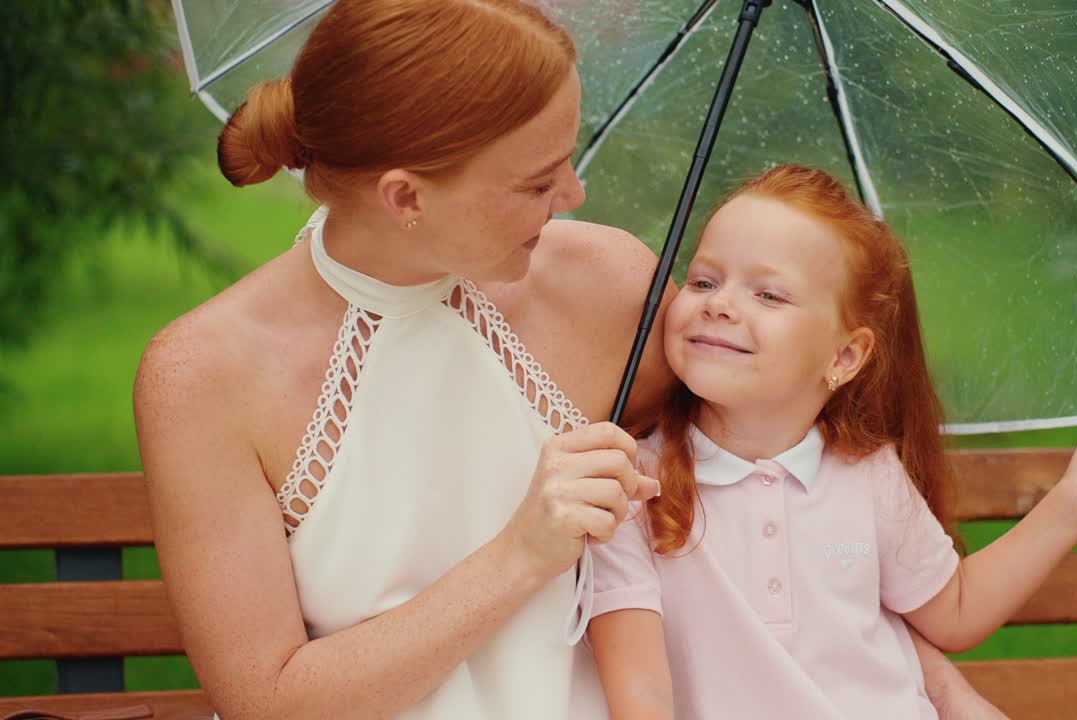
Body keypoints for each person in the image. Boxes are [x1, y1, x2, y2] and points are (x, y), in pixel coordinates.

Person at [133, 2, 1008, 718]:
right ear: (405, 196)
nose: (575, 195)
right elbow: (268, 700)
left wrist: (932, 685)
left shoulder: (609, 286)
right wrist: (520, 555)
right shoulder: (204, 378)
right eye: (537, 181)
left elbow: (781, 495)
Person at [587, 164, 1077, 719]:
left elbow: (956, 610)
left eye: (769, 295)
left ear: (844, 357)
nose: (718, 304)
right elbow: (641, 694)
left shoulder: (869, 475)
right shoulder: (630, 484)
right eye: (704, 280)